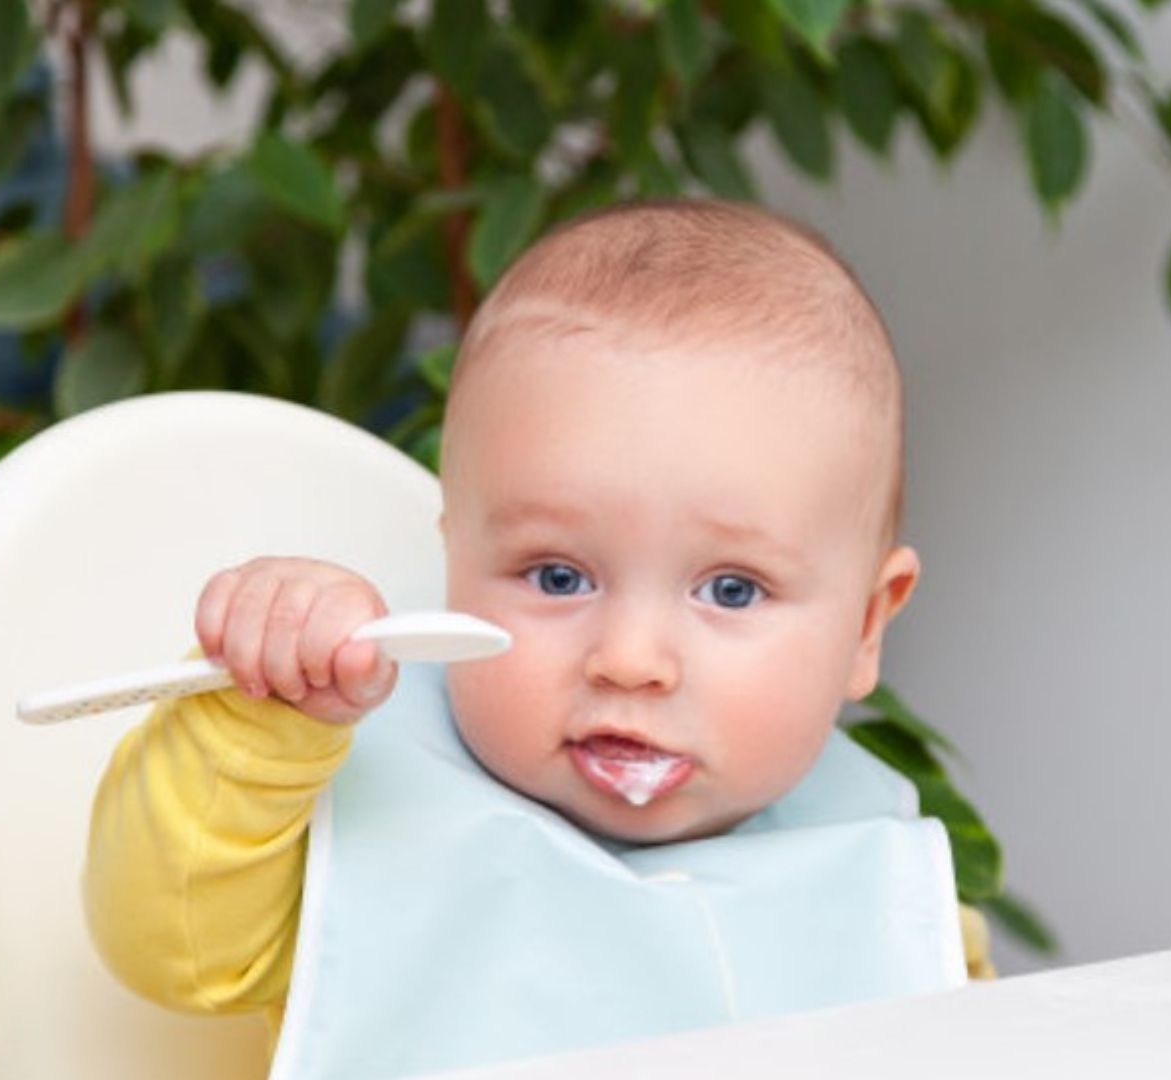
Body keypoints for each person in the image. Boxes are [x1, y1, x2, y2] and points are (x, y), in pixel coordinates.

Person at [83, 198, 992, 1078]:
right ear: (456, 557)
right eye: (558, 577)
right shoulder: (374, 810)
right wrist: (262, 723)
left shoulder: (878, 884)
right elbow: (168, 948)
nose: (630, 660)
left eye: (731, 589)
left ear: (868, 625)